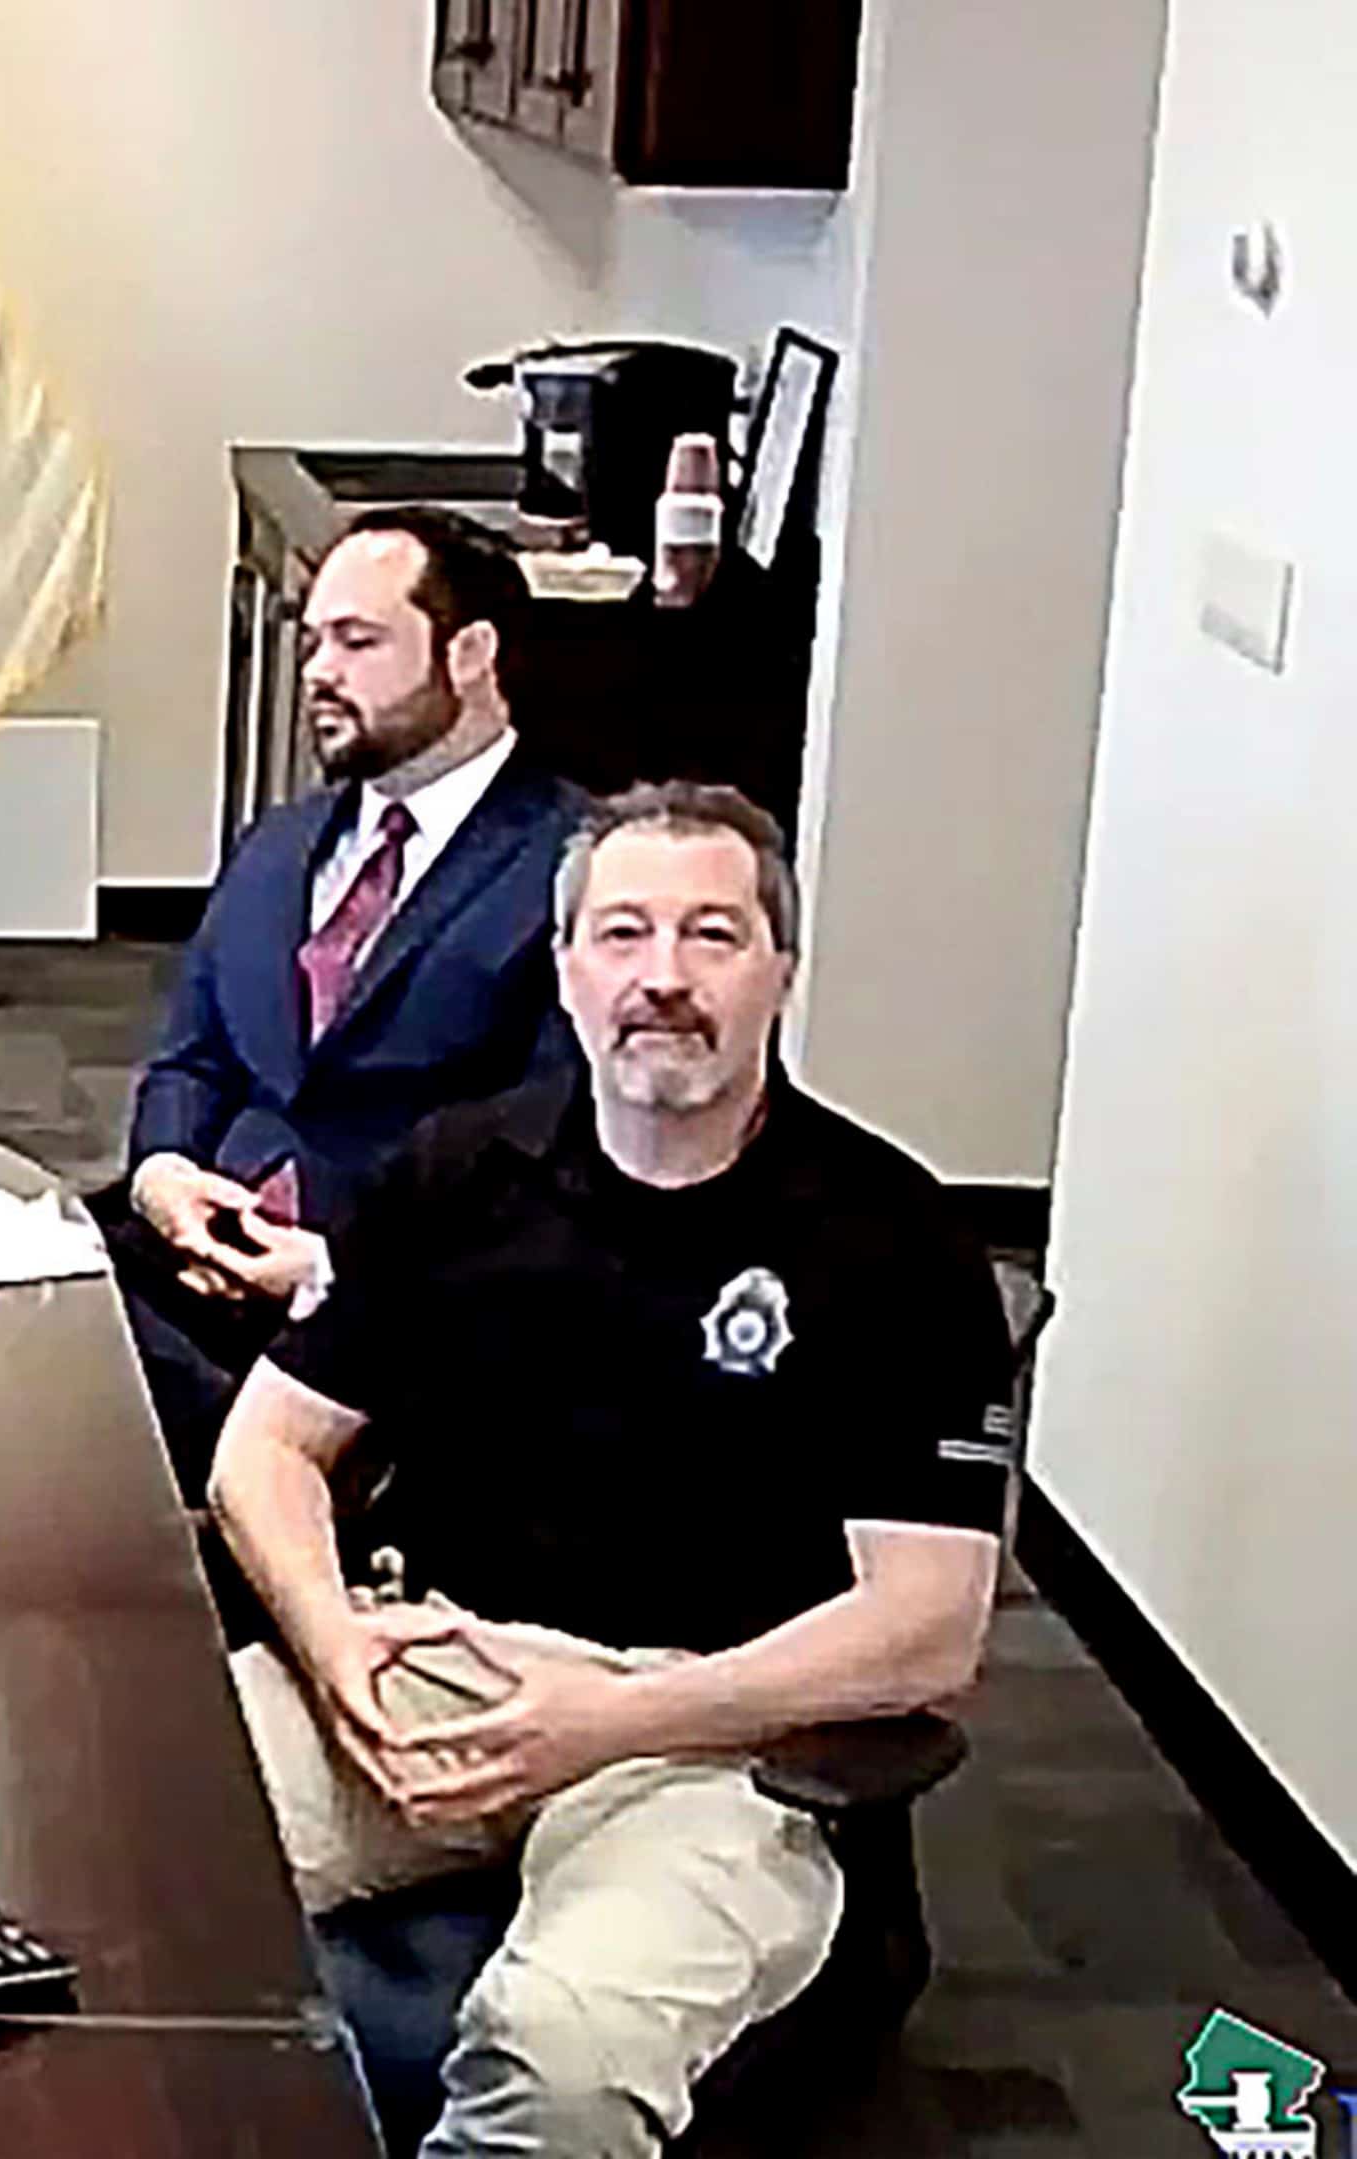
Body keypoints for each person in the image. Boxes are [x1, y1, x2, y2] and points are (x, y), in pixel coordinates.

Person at [207, 783, 1012, 2157]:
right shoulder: (459, 1168)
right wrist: (333, 1639)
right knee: (118, 1865)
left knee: (561, 2052)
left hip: (716, 1724)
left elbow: (929, 1625)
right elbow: (265, 1448)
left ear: (781, 971)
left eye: (713, 935)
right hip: (433, 1662)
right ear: (568, 969)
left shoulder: (892, 1239)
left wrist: (612, 1718)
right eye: (623, 933)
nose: (663, 977)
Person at [112, 505, 585, 1479]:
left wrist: (331, 1269)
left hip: (397, 1295)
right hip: (199, 1250)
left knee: (122, 1430)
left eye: (358, 641)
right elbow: (190, 1057)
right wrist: (163, 1174)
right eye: (314, 639)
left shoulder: (577, 862)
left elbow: (559, 1150)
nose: (318, 671)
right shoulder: (280, 844)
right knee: (3, 1325)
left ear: (471, 653)